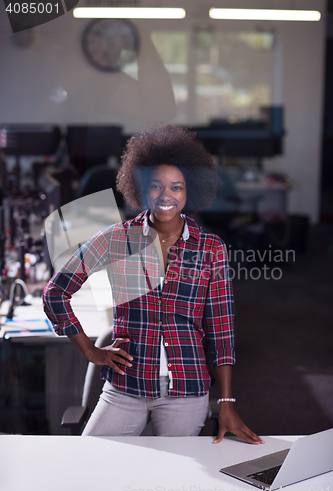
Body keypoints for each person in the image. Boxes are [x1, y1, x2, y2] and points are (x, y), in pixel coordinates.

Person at [42, 125, 264, 444]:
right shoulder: (115, 239)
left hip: (186, 392)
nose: (166, 196)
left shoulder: (210, 248)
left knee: (174, 482)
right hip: (125, 387)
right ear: (143, 188)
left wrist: (227, 403)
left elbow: (221, 329)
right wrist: (90, 351)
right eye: (157, 186)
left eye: (176, 187)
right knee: (88, 462)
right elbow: (55, 293)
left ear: (189, 192)